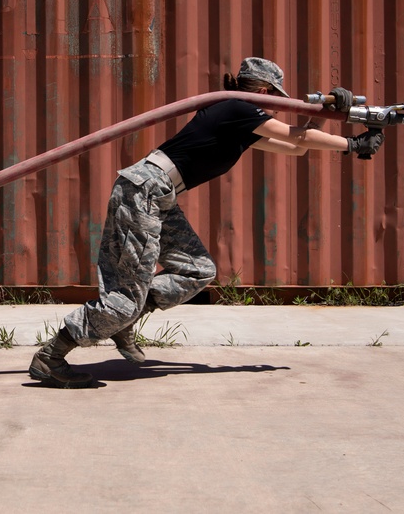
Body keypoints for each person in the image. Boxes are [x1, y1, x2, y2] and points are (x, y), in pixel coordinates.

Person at [28, 57, 385, 388]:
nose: (276, 106)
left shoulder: (241, 121)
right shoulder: (235, 107)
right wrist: (353, 143)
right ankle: (52, 356)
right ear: (263, 91)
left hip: (159, 194)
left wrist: (323, 118)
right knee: (125, 296)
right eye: (276, 99)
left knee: (196, 270)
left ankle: (127, 321)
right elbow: (298, 138)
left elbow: (297, 146)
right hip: (144, 191)